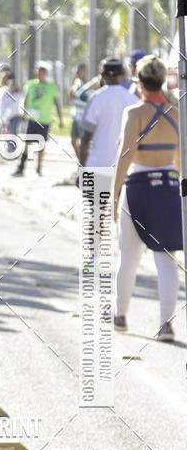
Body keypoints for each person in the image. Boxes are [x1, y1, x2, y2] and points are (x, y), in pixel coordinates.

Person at [113, 55, 181, 342]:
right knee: (166, 259)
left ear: (139, 83)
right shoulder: (178, 113)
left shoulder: (134, 112)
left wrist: (114, 195)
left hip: (138, 186)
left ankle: (120, 316)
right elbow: (181, 160)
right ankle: (166, 324)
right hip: (168, 187)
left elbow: (125, 156)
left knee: (128, 257)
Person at [79, 59, 134, 168]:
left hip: (97, 165)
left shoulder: (95, 98)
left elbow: (85, 139)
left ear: (102, 75)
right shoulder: (133, 99)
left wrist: (82, 170)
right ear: (123, 74)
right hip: (126, 167)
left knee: (96, 186)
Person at [14, 62, 63, 176]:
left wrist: (60, 119)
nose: (40, 74)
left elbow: (57, 103)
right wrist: (22, 110)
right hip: (32, 119)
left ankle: (39, 167)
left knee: (41, 144)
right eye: (38, 72)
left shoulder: (51, 87)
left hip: (44, 119)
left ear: (45, 73)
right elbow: (25, 99)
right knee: (27, 142)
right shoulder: (30, 85)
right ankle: (21, 167)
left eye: (42, 72)